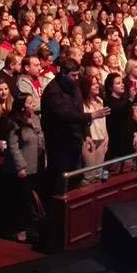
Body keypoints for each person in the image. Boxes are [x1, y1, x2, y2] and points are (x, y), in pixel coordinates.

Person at [40, 58, 109, 194]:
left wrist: (86, 134)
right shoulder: (53, 91)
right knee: (60, 179)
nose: (77, 78)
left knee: (76, 177)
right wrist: (91, 116)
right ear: (63, 73)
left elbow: (79, 110)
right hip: (59, 143)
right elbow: (65, 115)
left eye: (78, 75)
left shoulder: (74, 86)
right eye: (73, 75)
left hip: (75, 139)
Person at [5, 92, 45, 243]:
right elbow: (13, 147)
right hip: (22, 167)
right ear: (22, 107)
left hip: (36, 163)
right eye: (30, 103)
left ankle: (32, 229)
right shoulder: (14, 123)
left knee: (31, 198)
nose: (33, 105)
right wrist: (20, 167)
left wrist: (38, 132)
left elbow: (40, 140)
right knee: (22, 199)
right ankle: (20, 229)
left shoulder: (35, 119)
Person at [103, 73, 135, 173]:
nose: (122, 85)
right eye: (118, 83)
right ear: (110, 87)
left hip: (128, 141)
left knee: (128, 171)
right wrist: (130, 99)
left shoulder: (124, 100)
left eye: (122, 82)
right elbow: (119, 110)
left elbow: (130, 117)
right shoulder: (108, 101)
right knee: (115, 173)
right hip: (116, 143)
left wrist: (135, 133)